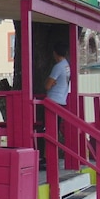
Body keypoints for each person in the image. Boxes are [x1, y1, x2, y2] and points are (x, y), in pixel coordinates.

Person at [39, 41, 70, 169]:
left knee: (48, 130)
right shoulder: (67, 66)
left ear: (54, 53)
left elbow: (47, 85)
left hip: (53, 102)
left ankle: (47, 158)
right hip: (62, 101)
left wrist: (49, 81)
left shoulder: (58, 67)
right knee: (53, 130)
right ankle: (49, 157)